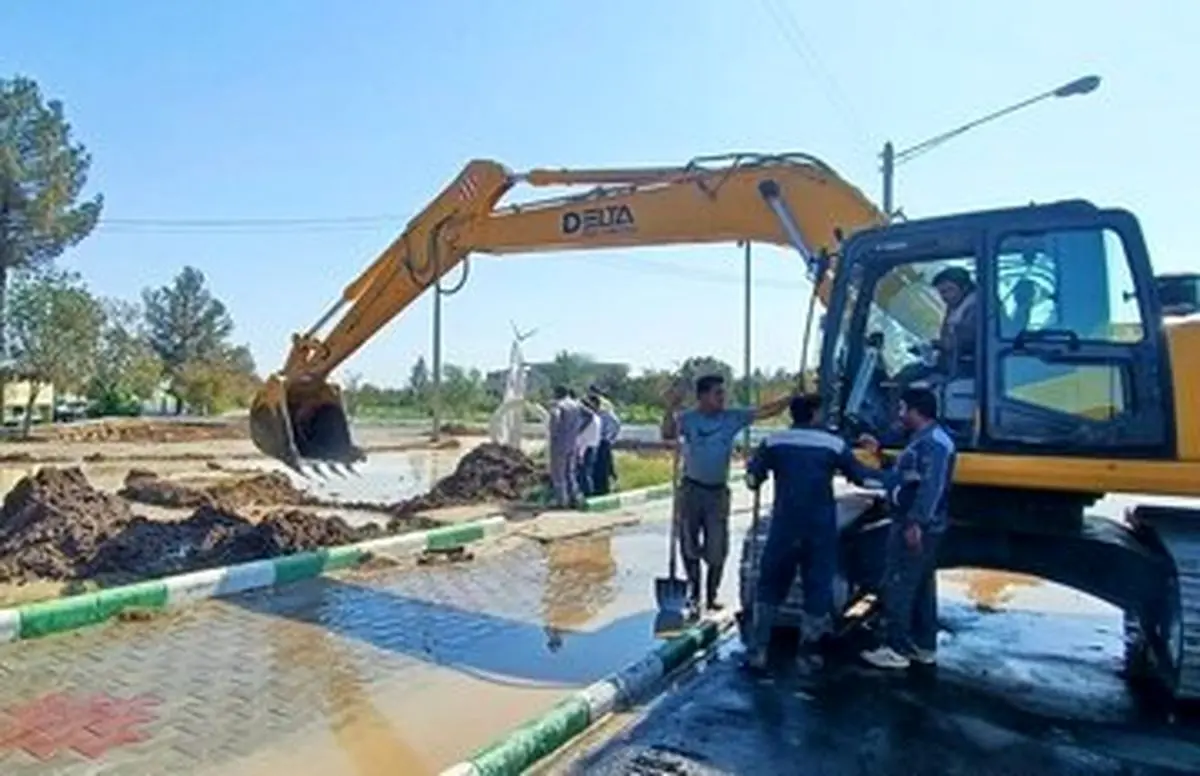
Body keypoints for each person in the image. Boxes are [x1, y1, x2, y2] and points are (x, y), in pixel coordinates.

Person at [743, 394, 879, 674]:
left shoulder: (774, 441)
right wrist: (892, 473)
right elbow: (861, 477)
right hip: (819, 528)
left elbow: (752, 478)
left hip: (784, 526)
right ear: (815, 414)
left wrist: (753, 473)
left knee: (769, 585)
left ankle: (758, 651)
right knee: (816, 586)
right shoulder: (833, 443)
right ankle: (808, 653)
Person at [662, 374, 794, 611]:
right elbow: (667, 434)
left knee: (717, 547)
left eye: (723, 393)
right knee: (689, 544)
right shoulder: (687, 419)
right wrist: (670, 406)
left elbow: (765, 412)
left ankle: (711, 595)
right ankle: (694, 591)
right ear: (702, 396)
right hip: (691, 489)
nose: (723, 398)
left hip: (717, 493)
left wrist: (790, 398)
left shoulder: (732, 417)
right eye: (717, 393)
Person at [858, 386, 957, 670]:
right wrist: (879, 453)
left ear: (916, 411)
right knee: (922, 586)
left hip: (917, 525)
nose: (900, 415)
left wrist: (915, 522)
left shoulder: (935, 443)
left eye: (902, 409)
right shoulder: (922, 440)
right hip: (918, 523)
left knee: (899, 583)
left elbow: (931, 488)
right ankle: (923, 646)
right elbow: (907, 474)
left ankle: (896, 649)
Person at [547, 385, 594, 508]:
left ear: (557, 393)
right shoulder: (576, 404)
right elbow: (590, 415)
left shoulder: (558, 406)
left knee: (559, 473)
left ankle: (561, 501)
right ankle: (575, 498)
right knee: (570, 472)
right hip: (573, 442)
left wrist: (554, 433)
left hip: (559, 443)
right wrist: (579, 429)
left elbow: (555, 420)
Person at [591, 389, 621, 496]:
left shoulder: (605, 415)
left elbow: (616, 425)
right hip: (598, 442)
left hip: (603, 442)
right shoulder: (599, 414)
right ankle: (599, 488)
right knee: (599, 467)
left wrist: (610, 438)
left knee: (603, 467)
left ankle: (603, 489)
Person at [576, 395, 602, 497]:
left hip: (587, 448)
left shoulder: (590, 419)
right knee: (586, 472)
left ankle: (587, 494)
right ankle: (588, 493)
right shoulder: (596, 418)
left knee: (584, 473)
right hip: (592, 447)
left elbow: (581, 434)